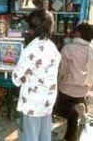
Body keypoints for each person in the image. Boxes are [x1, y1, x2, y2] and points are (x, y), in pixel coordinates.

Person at [11, 9, 61, 141]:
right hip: (47, 100)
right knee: (44, 135)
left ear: (32, 29)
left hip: (33, 102)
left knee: (30, 136)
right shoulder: (52, 47)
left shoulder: (31, 50)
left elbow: (16, 79)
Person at [53, 23, 93, 141]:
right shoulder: (90, 49)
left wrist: (57, 83)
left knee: (60, 110)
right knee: (73, 119)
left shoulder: (68, 48)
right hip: (82, 89)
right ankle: (69, 138)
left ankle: (75, 107)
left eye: (75, 31)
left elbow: (62, 70)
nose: (73, 32)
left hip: (67, 87)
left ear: (79, 34)